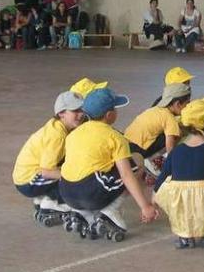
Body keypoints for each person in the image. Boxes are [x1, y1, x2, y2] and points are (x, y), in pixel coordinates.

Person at [59, 88, 159, 240]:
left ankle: (84, 213)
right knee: (136, 161)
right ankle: (110, 211)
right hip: (89, 193)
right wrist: (146, 206)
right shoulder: (114, 137)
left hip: (66, 192)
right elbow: (126, 175)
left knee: (95, 171)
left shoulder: (74, 133)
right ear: (109, 114)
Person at [153, 100, 204, 248]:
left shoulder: (176, 151)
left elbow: (161, 180)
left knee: (174, 179)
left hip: (178, 204)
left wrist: (153, 201)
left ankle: (185, 235)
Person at [12, 91, 84, 224]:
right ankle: (54, 203)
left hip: (26, 176)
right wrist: (76, 177)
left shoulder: (57, 125)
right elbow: (47, 171)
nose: (81, 114)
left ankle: (44, 196)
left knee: (69, 165)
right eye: (75, 110)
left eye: (82, 109)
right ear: (61, 113)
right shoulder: (57, 136)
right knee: (76, 177)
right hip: (28, 181)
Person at [124, 82, 191, 186]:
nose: (188, 106)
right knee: (178, 134)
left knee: (174, 130)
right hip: (138, 151)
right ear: (178, 104)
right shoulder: (169, 118)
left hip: (126, 144)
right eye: (187, 103)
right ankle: (153, 161)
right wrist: (174, 168)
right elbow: (170, 147)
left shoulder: (155, 109)